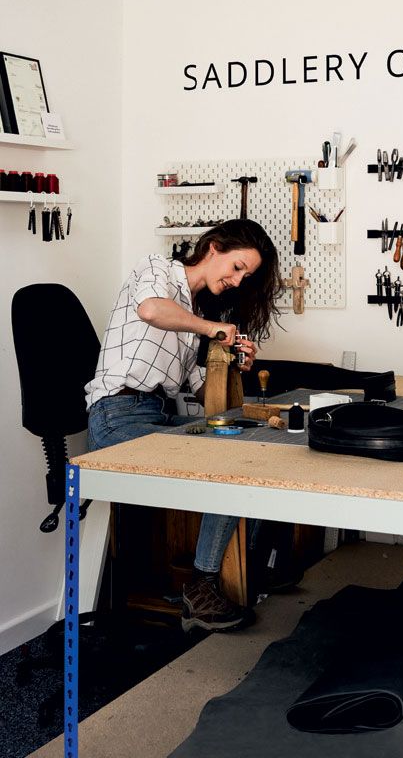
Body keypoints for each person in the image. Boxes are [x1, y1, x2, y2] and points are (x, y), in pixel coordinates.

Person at [85, 219, 283, 632]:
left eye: (246, 275)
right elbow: (152, 310)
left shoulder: (193, 315)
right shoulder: (156, 269)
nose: (237, 279)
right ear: (213, 248)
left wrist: (231, 361)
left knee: (252, 446)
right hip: (115, 416)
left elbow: (199, 389)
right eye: (237, 266)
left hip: (154, 413)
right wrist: (213, 329)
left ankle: (252, 571)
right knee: (226, 457)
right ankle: (202, 585)